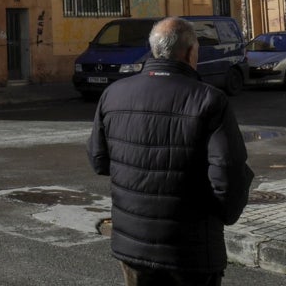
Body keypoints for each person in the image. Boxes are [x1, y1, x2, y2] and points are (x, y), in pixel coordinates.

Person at [88, 17, 254, 286]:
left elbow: (99, 160)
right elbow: (228, 174)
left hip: (132, 246)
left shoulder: (113, 94)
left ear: (154, 49)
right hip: (190, 248)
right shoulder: (209, 100)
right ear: (191, 53)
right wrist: (225, 215)